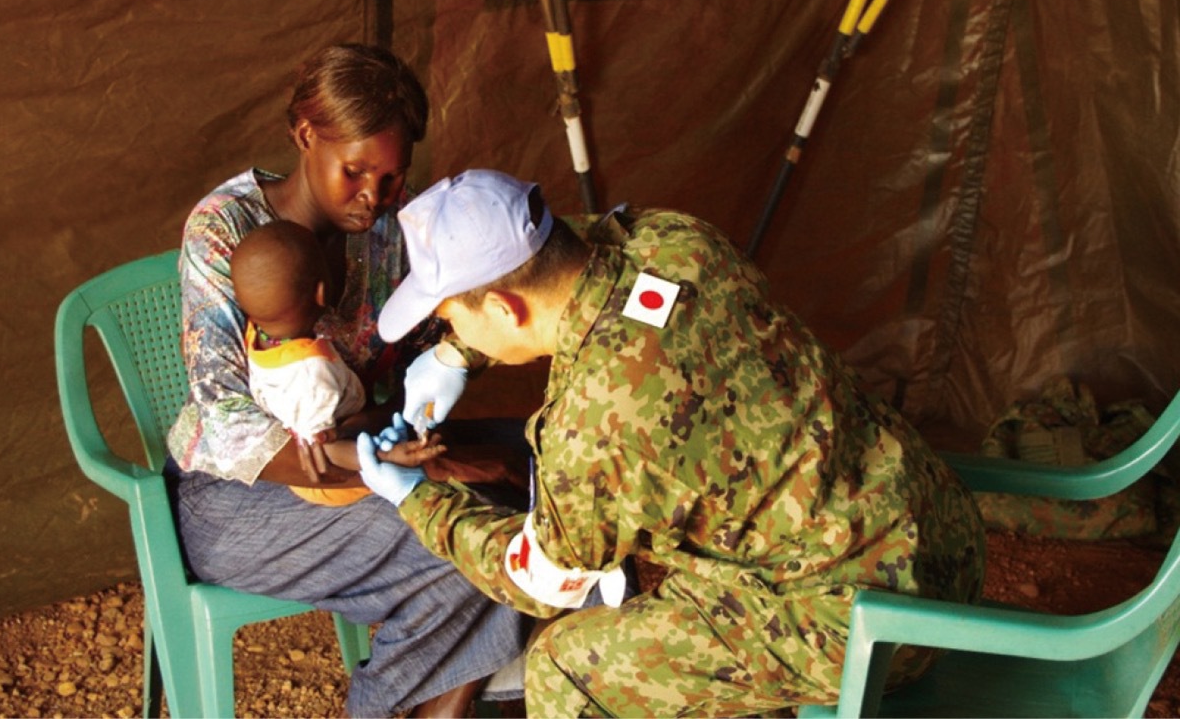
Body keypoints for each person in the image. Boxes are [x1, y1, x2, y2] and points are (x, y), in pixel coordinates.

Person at [356, 169, 988, 717]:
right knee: (685, 564)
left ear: (502, 309)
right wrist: (458, 353)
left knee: (563, 669)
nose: (450, 328)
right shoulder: (676, 241)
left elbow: (541, 580)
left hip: (870, 626)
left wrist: (417, 499)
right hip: (940, 530)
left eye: (449, 317)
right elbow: (563, 246)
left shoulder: (594, 425)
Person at [164, 46, 530, 718]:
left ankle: (490, 694)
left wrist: (452, 365)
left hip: (374, 450)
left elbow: (453, 329)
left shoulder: (395, 226)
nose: (375, 197)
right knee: (464, 533)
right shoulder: (226, 232)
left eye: (392, 177)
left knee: (550, 467)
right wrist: (432, 469)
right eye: (356, 171)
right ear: (306, 136)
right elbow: (227, 425)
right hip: (246, 496)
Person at [230, 218, 529, 507]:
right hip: (344, 470)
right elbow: (325, 450)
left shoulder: (259, 334)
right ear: (322, 292)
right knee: (478, 472)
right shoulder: (311, 373)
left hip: (352, 430)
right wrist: (387, 457)